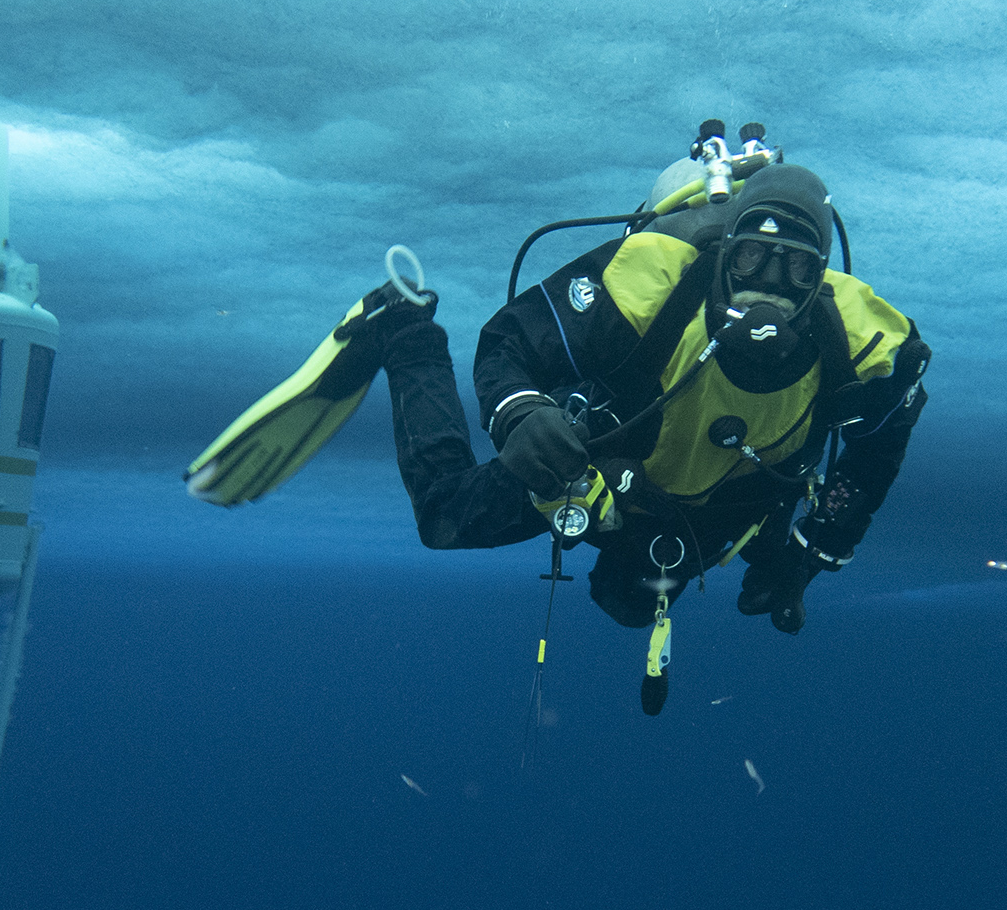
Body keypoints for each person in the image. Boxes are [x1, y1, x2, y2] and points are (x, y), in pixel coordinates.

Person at [186, 123, 929, 635]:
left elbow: (878, 445)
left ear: (818, 278)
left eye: (795, 267)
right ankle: (403, 330)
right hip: (602, 448)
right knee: (446, 520)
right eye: (752, 261)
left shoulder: (867, 352)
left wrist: (812, 553)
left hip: (665, 491)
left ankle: (403, 333)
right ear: (724, 252)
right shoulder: (648, 281)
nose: (767, 286)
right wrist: (521, 412)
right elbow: (510, 341)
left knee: (507, 545)